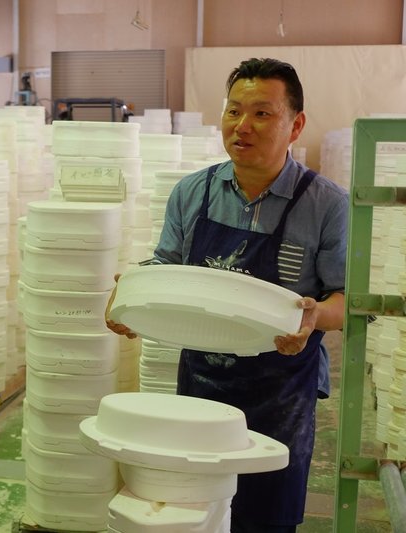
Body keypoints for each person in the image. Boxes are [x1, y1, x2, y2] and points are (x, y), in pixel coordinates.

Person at [107, 58, 347, 532]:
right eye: (234, 111)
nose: (243, 126)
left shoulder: (327, 205)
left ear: (295, 124)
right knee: (198, 509)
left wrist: (314, 316)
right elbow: (166, 266)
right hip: (202, 384)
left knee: (266, 516)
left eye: (262, 113)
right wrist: (133, 292)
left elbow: (345, 301)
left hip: (281, 391)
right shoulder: (192, 193)